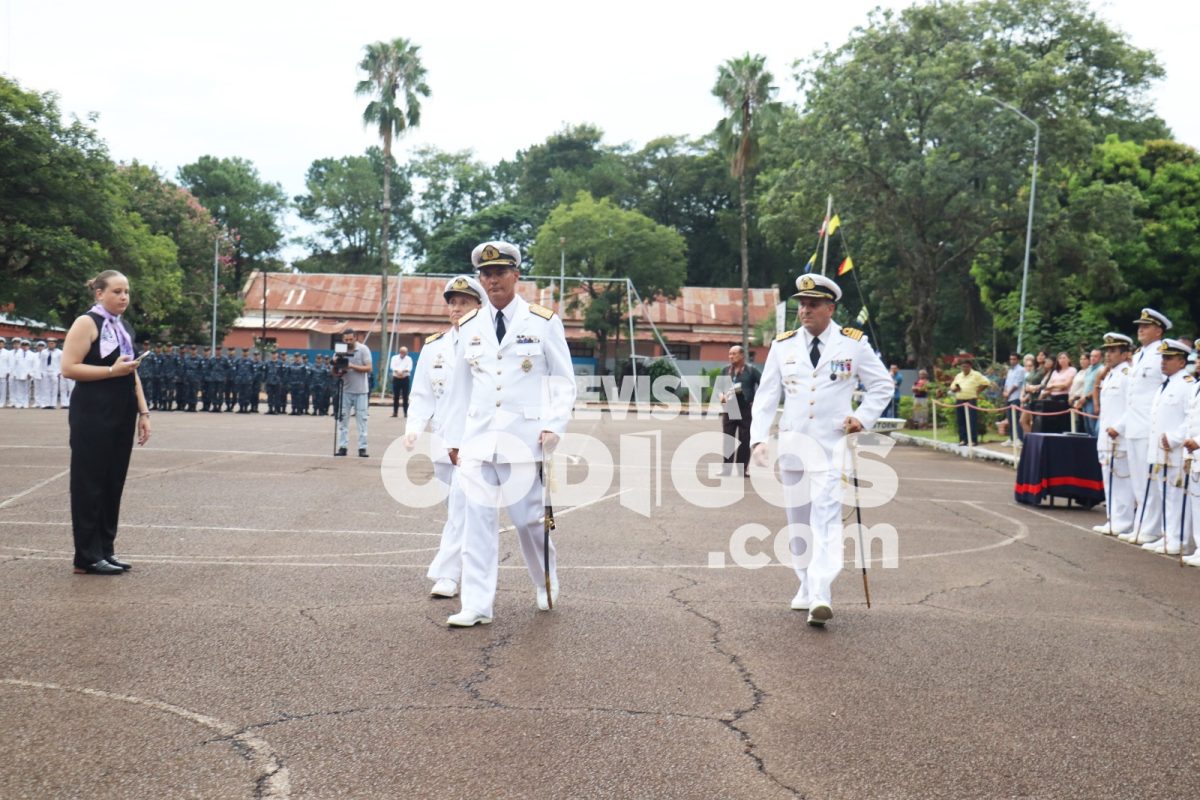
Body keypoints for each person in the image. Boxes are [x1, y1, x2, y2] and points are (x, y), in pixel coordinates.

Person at [443, 241, 577, 627]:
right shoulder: (470, 325)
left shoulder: (542, 321)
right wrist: (453, 439)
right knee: (477, 522)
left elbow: (563, 380)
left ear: (516, 275)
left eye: (500, 272)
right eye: (485, 274)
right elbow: (459, 387)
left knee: (528, 521)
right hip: (478, 440)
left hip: (524, 438)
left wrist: (554, 424)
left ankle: (545, 579)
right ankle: (477, 604)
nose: (492, 280)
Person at [750, 273, 891, 628]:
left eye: (813, 304)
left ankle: (821, 594)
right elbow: (766, 396)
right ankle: (805, 582)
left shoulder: (853, 344)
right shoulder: (783, 345)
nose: (805, 310)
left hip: (831, 446)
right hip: (794, 444)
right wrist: (757, 438)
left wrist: (862, 417)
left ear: (831, 307)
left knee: (826, 518)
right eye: (801, 304)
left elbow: (881, 385)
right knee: (798, 520)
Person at [60, 270, 151, 575]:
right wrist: (111, 372)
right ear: (99, 293)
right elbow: (69, 368)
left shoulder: (123, 327)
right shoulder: (87, 322)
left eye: (126, 291)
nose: (123, 297)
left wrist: (144, 412)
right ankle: (86, 556)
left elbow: (132, 370)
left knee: (113, 482)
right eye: (116, 291)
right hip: (93, 412)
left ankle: (105, 550)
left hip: (122, 410)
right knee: (90, 483)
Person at [405, 275, 487, 599]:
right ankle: (456, 569)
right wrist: (413, 428)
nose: (456, 308)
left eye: (464, 302)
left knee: (461, 508)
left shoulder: (489, 343)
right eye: (452, 302)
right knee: (455, 507)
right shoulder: (434, 346)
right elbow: (422, 393)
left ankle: (447, 575)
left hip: (474, 440)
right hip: (442, 440)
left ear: (479, 306)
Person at [1134, 339, 1193, 553]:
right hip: (1160, 451)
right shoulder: (1165, 385)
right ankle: (1168, 534)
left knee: (1176, 496)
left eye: (1169, 358)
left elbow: (1192, 417)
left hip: (1175, 450)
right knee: (1165, 494)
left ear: (1181, 361)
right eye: (1163, 358)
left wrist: (1176, 437)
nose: (1163, 362)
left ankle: (1179, 539)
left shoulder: (1186, 385)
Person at [1120, 309, 1170, 545]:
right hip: (1134, 425)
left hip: (1149, 427)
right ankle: (1142, 525)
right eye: (1139, 325)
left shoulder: (1162, 354)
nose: (1140, 329)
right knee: (1139, 480)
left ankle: (1150, 529)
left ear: (1158, 330)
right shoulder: (1140, 354)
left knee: (1149, 479)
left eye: (1146, 326)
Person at [1092, 333, 1136, 535]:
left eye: (1113, 351)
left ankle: (1124, 521)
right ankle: (1112, 519)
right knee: (1109, 480)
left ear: (1125, 353)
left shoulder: (1128, 374)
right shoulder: (1110, 375)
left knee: (1122, 481)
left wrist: (1119, 427)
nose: (1108, 355)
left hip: (1120, 437)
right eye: (1107, 351)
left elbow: (1134, 406)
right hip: (1106, 437)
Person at [718, 345, 761, 478]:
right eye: (730, 354)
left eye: (734, 354)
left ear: (742, 355)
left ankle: (743, 469)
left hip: (745, 409)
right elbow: (719, 388)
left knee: (744, 440)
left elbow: (765, 386)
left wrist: (756, 401)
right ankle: (726, 469)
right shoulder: (725, 370)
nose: (731, 356)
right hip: (730, 409)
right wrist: (722, 397)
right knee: (728, 440)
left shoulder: (751, 371)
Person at [334, 329, 372, 457]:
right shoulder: (340, 350)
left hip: (361, 391)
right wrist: (337, 368)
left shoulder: (363, 349)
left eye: (351, 339)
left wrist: (351, 366)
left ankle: (362, 448)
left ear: (355, 338)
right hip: (345, 390)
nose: (348, 342)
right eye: (346, 340)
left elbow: (369, 368)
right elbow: (334, 373)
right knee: (343, 419)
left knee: (362, 420)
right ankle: (342, 447)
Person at [948, 358, 993, 446]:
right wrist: (955, 389)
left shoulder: (976, 374)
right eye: (963, 367)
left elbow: (986, 383)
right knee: (961, 420)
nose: (964, 369)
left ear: (970, 367)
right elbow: (952, 387)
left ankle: (973, 440)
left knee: (971, 420)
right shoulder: (959, 375)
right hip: (960, 399)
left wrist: (978, 391)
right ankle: (963, 439)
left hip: (970, 400)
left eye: (966, 367)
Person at [1037, 352, 1077, 434]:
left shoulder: (1072, 370)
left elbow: (1065, 385)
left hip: (1064, 398)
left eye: (1064, 358)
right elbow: (1048, 386)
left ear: (1068, 359)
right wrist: (1055, 387)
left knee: (1063, 421)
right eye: (1060, 358)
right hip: (1053, 399)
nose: (1062, 360)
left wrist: (1053, 386)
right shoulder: (1055, 372)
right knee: (1052, 421)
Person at [1000, 353, 1026, 441]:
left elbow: (1017, 384)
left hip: (1016, 397)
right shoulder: (1010, 370)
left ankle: (1019, 438)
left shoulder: (1021, 370)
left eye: (1014, 359)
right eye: (1011, 359)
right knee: (1010, 419)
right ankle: (1012, 438)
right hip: (1009, 398)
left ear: (1018, 360)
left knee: (1017, 419)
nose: (1012, 361)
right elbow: (1007, 383)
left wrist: (1009, 393)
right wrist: (1005, 392)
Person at [390, 346, 413, 418]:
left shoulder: (409, 359)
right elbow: (392, 367)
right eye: (402, 352)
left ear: (407, 353)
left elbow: (409, 368)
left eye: (405, 352)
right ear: (400, 352)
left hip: (405, 378)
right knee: (396, 396)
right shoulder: (394, 358)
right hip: (396, 378)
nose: (403, 353)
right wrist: (397, 371)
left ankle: (406, 413)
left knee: (405, 397)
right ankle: (395, 412)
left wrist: (402, 372)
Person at [10, 339, 34, 408]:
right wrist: (14, 373)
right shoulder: (17, 354)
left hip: (27, 375)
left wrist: (31, 373)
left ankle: (25, 403)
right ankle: (19, 403)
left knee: (26, 390)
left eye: (26, 345)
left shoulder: (32, 354)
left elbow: (33, 365)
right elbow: (14, 365)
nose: (24, 347)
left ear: (28, 346)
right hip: (18, 374)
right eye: (23, 345)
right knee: (19, 389)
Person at [0, 336, 10, 407]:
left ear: (4, 344)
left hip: (3, 372)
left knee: (3, 389)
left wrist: (8, 372)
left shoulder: (7, 353)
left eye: (1, 343)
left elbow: (9, 363)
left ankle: (2, 402)